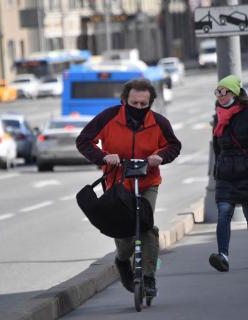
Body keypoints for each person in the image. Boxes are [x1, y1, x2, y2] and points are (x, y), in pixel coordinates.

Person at [76, 79, 181, 296]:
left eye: (144, 104)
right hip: (117, 183)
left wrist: (159, 157)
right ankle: (122, 261)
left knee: (146, 227)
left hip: (147, 182)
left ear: (150, 102)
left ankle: (149, 278)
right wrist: (104, 157)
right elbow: (84, 141)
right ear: (125, 101)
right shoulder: (109, 117)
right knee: (124, 231)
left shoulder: (159, 122)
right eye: (135, 104)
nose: (139, 108)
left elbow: (173, 146)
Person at [208, 75, 248, 272]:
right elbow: (217, 146)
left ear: (234, 93)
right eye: (217, 91)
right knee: (224, 213)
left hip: (246, 173)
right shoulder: (218, 115)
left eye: (223, 91)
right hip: (226, 174)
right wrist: (219, 166)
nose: (219, 95)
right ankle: (223, 256)